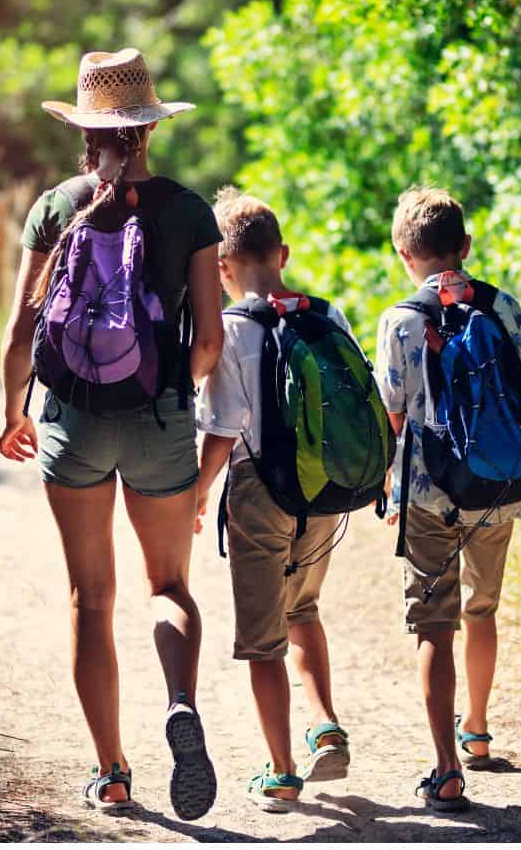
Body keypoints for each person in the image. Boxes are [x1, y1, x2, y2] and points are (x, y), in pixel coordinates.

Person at [0, 48, 224, 819]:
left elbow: (21, 329)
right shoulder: (190, 211)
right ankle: (181, 702)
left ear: (85, 131)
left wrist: (13, 413)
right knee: (169, 587)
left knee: (90, 600)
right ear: (149, 129)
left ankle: (113, 772)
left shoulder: (54, 206)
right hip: (158, 420)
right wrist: (167, 398)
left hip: (71, 425)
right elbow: (209, 346)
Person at [374, 187, 521, 813]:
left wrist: (384, 486)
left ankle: (445, 769)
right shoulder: (505, 308)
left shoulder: (401, 320)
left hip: (428, 494)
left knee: (433, 627)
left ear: (402, 251)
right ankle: (477, 727)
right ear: (464, 247)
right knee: (483, 610)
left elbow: (392, 413)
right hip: (498, 487)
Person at [193, 189, 357, 812]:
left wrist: (201, 493)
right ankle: (325, 723)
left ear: (221, 267)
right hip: (324, 491)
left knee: (262, 641)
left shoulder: (230, 330)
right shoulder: (327, 315)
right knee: (304, 609)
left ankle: (282, 771)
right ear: (282, 254)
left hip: (261, 493)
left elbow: (225, 423)